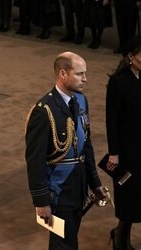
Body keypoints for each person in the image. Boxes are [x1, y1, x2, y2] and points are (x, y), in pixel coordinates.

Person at [25, 52, 106, 249]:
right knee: (63, 245)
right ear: (63, 73)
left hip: (78, 188)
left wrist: (95, 182)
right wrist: (41, 201)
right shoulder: (44, 111)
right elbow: (35, 161)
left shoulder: (81, 101)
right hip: (58, 193)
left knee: (69, 241)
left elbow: (86, 145)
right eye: (79, 74)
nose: (85, 79)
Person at [106, 35, 141, 250]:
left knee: (140, 195)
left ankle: (121, 234)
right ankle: (120, 237)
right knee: (129, 195)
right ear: (131, 56)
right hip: (127, 150)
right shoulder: (118, 81)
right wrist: (114, 152)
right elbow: (111, 120)